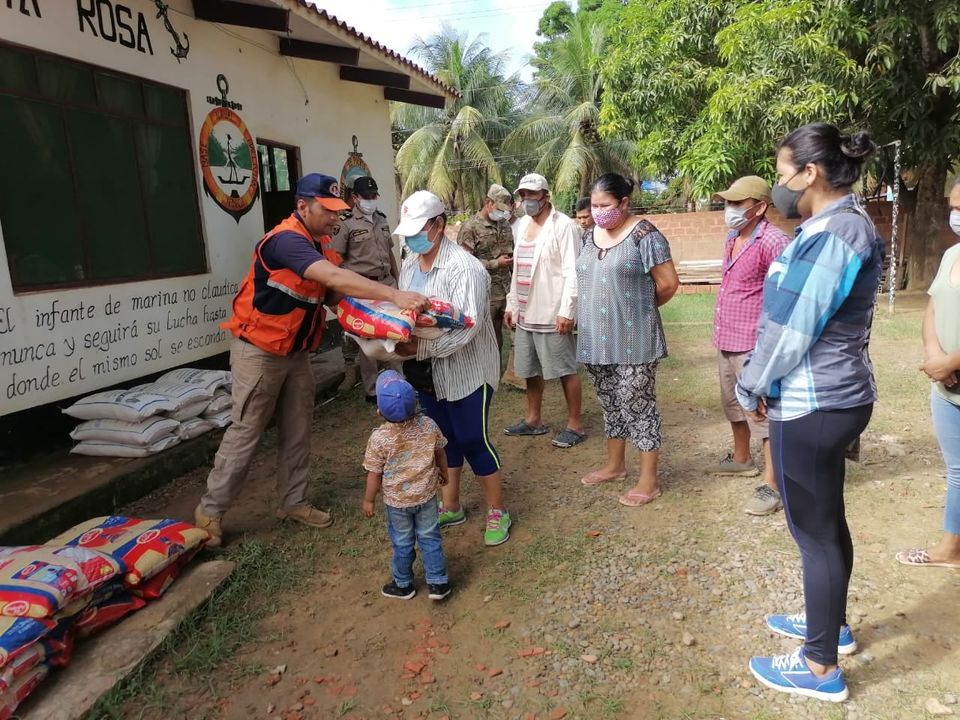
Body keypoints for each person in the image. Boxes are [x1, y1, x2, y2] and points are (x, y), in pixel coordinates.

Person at [193, 174, 429, 548]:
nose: (335, 219)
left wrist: (387, 327)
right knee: (246, 431)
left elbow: (338, 295)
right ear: (303, 206)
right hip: (259, 352)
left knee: (298, 427)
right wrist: (394, 295)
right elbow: (334, 276)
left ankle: (293, 501)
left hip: (297, 353)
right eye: (328, 211)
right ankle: (210, 511)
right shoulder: (286, 242)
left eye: (338, 211)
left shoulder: (321, 244)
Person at [737, 124, 884, 702]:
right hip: (820, 397)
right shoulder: (827, 227)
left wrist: (752, 382)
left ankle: (820, 667)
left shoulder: (838, 233)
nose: (779, 185)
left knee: (814, 532)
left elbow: (795, 327)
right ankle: (831, 627)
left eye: (781, 173)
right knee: (824, 524)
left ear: (811, 174)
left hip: (817, 400)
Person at [392, 191, 512, 547]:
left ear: (439, 225)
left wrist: (419, 346)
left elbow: (470, 328)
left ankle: (496, 510)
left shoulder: (467, 269)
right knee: (443, 439)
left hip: (468, 370)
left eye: (418, 229)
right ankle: (452, 504)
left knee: (473, 438)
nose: (412, 238)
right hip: (426, 372)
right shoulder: (411, 263)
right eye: (408, 231)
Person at [576, 173, 679, 505]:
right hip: (595, 339)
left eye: (605, 205)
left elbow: (668, 284)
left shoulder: (645, 235)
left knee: (638, 404)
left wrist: (637, 311)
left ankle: (649, 480)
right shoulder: (589, 237)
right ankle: (615, 465)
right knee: (610, 403)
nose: (598, 211)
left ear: (624, 203)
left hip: (635, 339)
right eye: (594, 205)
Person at [711, 176, 791, 515]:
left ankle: (773, 485)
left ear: (759, 207)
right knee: (732, 404)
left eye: (737, 203)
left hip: (753, 344)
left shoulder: (774, 241)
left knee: (762, 412)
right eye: (727, 203)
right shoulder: (733, 237)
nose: (729, 209)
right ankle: (742, 459)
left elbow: (786, 294)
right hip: (726, 337)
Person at [896, 178, 960, 570]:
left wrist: (951, 362)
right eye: (955, 207)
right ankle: (952, 547)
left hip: (950, 373)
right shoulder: (952, 257)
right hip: (948, 391)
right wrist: (934, 353)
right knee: (958, 470)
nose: (957, 216)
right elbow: (933, 309)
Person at [504, 173, 586, 449]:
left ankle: (575, 424)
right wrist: (512, 303)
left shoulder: (564, 226)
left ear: (546, 196)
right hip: (527, 311)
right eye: (523, 195)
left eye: (532, 194)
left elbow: (572, 272)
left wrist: (567, 311)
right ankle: (533, 420)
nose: (527, 200)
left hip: (552, 311)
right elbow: (518, 270)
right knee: (529, 369)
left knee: (564, 368)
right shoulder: (523, 225)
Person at [362, 370, 451, 600]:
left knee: (402, 542)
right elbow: (440, 452)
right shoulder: (428, 425)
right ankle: (438, 582)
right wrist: (444, 473)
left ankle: (403, 584)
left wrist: (369, 500)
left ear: (379, 411)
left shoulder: (379, 439)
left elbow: (374, 474)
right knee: (430, 537)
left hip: (397, 503)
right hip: (427, 496)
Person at [333, 176, 401, 402]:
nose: (372, 200)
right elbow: (337, 258)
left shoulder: (382, 219)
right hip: (362, 288)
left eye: (374, 196)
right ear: (355, 198)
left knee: (393, 333)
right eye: (367, 197)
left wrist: (398, 280)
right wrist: (346, 288)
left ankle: (399, 382)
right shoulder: (346, 222)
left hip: (387, 283)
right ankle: (372, 389)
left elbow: (390, 253)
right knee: (367, 339)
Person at [457, 184, 515, 353]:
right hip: (485, 293)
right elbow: (464, 264)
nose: (502, 213)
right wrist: (495, 263)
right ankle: (487, 374)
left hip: (507, 290)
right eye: (499, 208)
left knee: (512, 336)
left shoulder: (504, 225)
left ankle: (510, 374)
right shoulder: (470, 228)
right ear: (488, 203)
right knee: (487, 338)